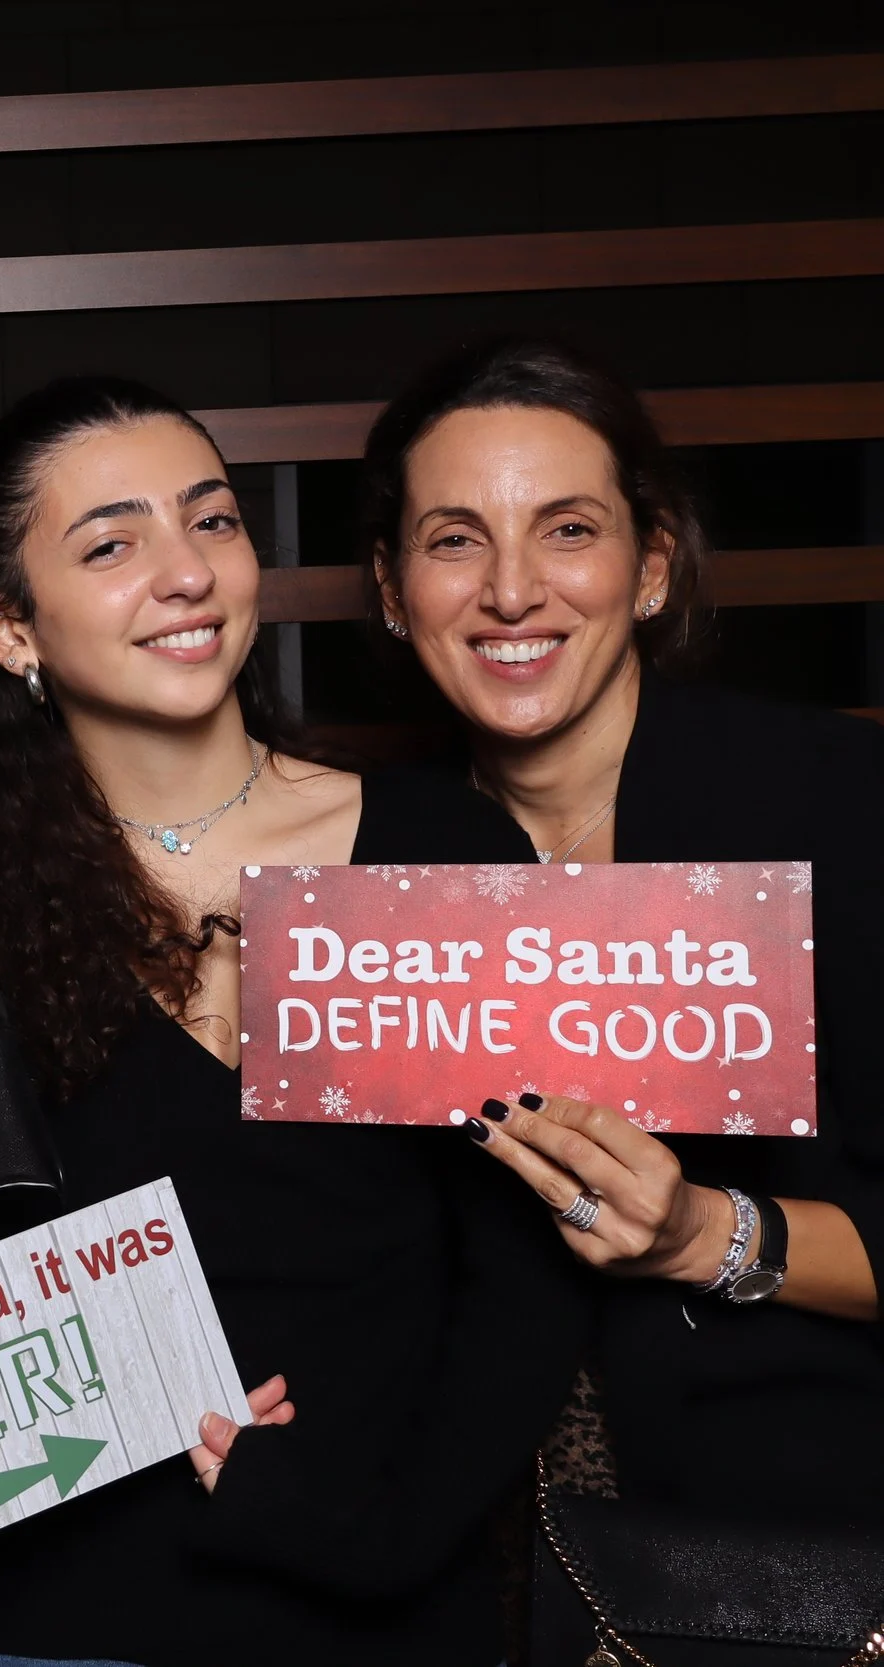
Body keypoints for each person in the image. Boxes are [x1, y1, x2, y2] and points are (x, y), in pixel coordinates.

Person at [0, 376, 584, 1665]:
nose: (186, 572)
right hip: (61, 1622)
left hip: (386, 1604)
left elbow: (523, 1270)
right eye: (112, 544)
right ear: (7, 626)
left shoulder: (431, 849)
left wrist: (369, 1527)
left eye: (211, 520)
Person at [368, 338, 884, 1524]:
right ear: (393, 594)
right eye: (454, 538)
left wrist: (712, 1231)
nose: (510, 591)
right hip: (459, 1547)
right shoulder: (366, 868)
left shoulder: (841, 800)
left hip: (806, 1532)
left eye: (566, 529)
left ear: (650, 567)